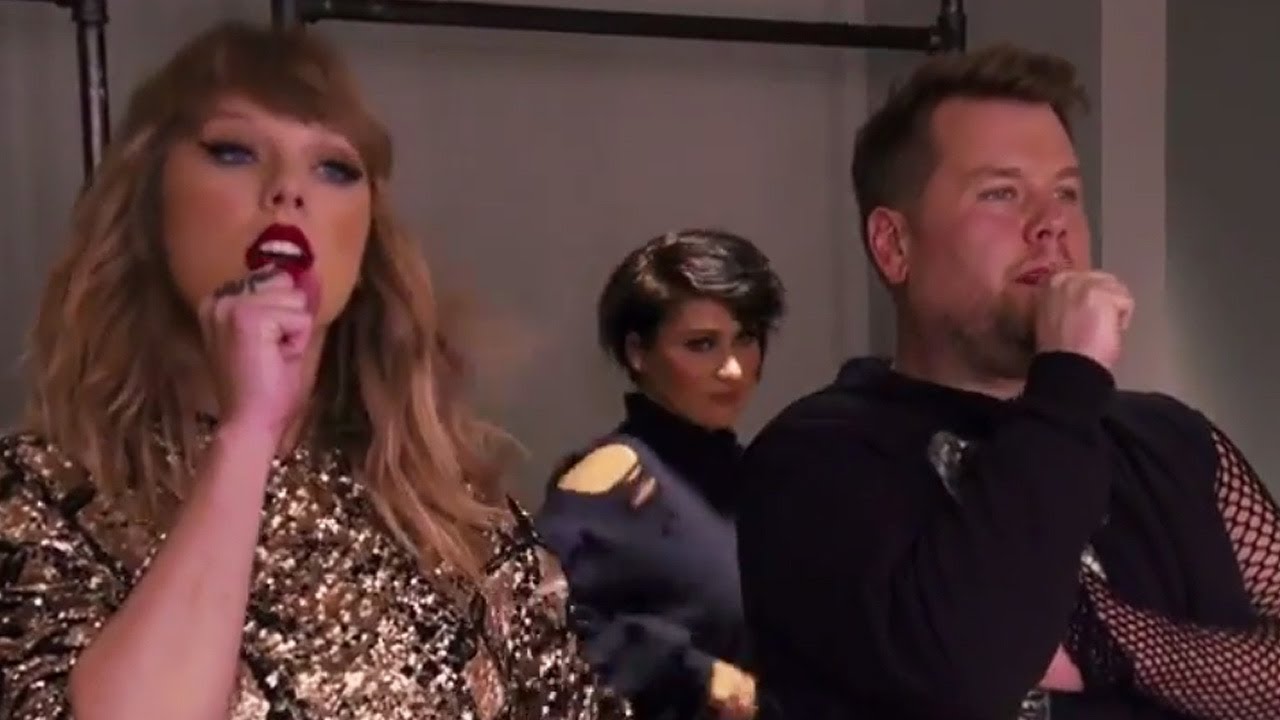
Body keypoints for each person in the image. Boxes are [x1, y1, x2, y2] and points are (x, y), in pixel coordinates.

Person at [0, 21, 631, 720]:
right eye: (235, 151)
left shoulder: (450, 513)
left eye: (334, 168)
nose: (288, 191)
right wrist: (248, 433)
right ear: (148, 206)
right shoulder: (43, 498)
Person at [736, 43, 1280, 720]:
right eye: (1001, 193)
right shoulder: (815, 459)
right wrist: (1070, 381)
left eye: (1067, 193)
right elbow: (969, 667)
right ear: (894, 246)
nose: (1051, 223)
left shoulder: (1172, 439)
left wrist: (1096, 634)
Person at [536, 229, 786, 720]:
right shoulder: (612, 479)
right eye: (701, 344)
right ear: (638, 352)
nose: (733, 369)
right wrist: (698, 677)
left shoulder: (753, 477)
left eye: (746, 338)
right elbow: (540, 627)